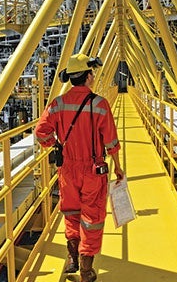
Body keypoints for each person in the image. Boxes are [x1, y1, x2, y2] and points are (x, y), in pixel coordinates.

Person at [34, 53, 124, 282]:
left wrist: (54, 145)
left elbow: (40, 132)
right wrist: (118, 168)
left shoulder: (58, 103)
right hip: (93, 170)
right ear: (89, 76)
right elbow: (111, 141)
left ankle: (72, 258)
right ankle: (86, 270)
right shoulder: (100, 104)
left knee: (71, 214)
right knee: (92, 219)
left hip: (67, 169)